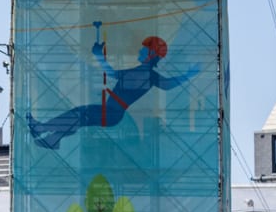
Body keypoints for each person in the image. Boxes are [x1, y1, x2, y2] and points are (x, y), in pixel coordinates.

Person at [25, 25, 198, 149]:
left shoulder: (146, 75)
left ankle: (44, 130)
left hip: (112, 113)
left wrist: (99, 56)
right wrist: (99, 56)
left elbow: (114, 74)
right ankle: (53, 138)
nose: (140, 52)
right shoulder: (144, 73)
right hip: (110, 112)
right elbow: (116, 75)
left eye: (144, 50)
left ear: (151, 54)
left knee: (78, 115)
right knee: (78, 118)